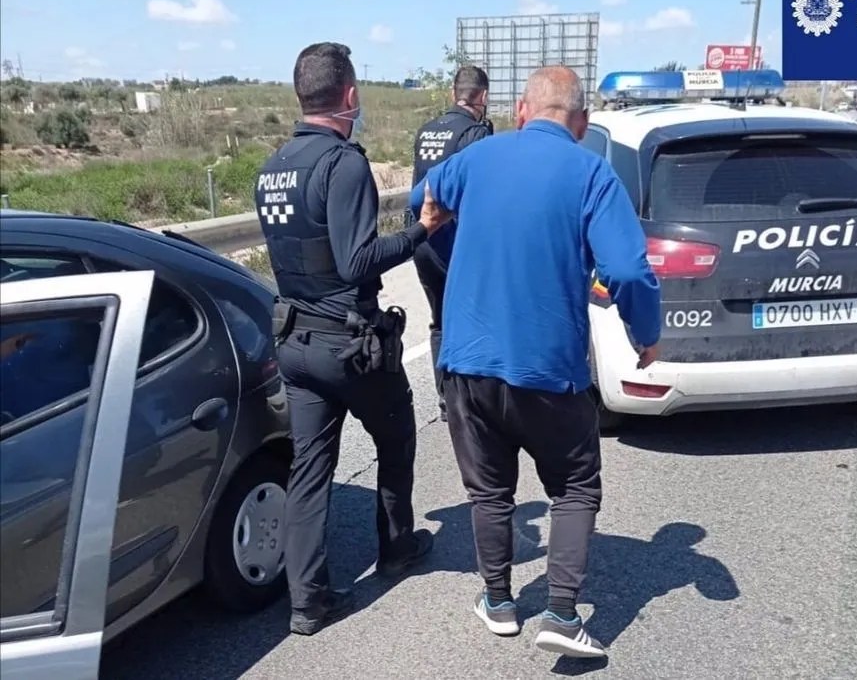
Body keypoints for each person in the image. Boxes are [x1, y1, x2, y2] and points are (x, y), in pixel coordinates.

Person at [408, 66, 662, 658]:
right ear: (582, 123)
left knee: (489, 491)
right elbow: (626, 269)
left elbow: (424, 201)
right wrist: (645, 333)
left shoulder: (477, 159)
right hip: (549, 370)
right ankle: (562, 614)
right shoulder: (593, 173)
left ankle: (499, 602)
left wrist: (449, 238)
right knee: (574, 486)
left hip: (467, 365)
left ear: (521, 110)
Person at [255, 42, 451, 636]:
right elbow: (357, 260)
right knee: (397, 435)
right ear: (349, 95)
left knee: (309, 470)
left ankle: (307, 602)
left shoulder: (273, 168)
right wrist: (421, 230)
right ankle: (396, 548)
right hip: (350, 345)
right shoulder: (343, 164)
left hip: (295, 343)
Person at [408, 65, 493, 421]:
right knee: (471, 318)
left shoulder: (427, 130)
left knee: (439, 319)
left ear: (452, 94)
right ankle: (469, 398)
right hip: (456, 244)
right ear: (483, 98)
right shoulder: (475, 134)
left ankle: (445, 399)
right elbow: (484, 196)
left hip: (422, 241)